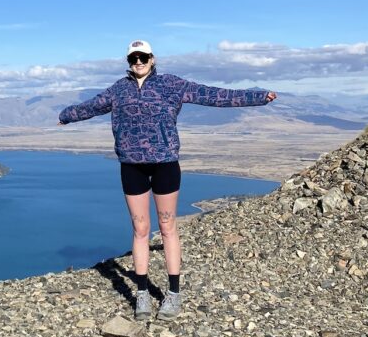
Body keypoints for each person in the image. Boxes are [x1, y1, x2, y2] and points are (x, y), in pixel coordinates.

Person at [57, 39, 276, 320]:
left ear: (153, 58)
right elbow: (90, 107)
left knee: (168, 226)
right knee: (140, 229)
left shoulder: (171, 84)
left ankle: (173, 294)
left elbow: (214, 95)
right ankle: (143, 294)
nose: (138, 62)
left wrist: (257, 97)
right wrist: (66, 116)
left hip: (165, 165)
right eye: (133, 58)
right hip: (132, 166)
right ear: (128, 61)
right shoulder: (119, 90)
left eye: (143, 57)